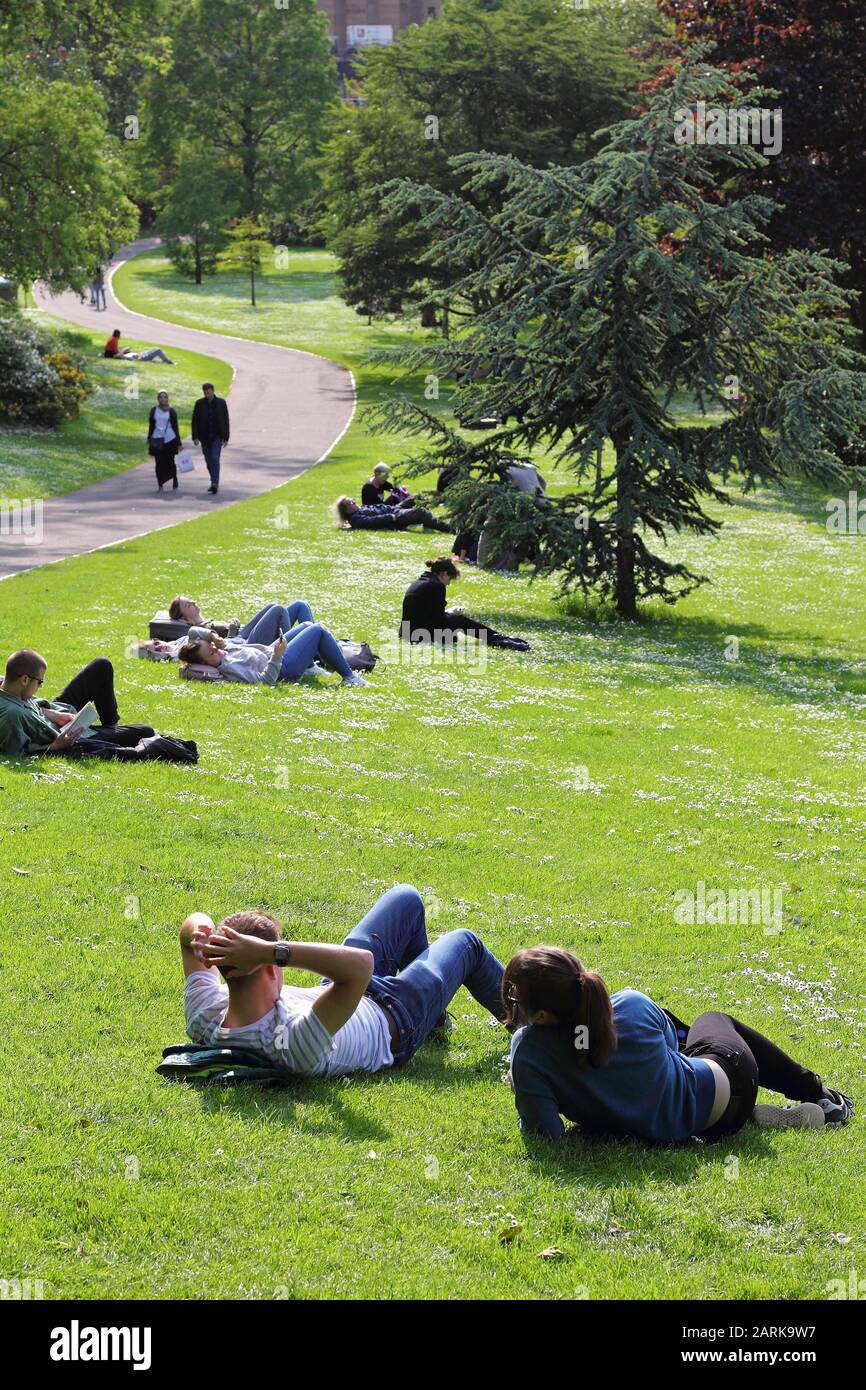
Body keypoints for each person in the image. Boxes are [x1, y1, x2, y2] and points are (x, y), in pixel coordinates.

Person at [504, 946, 854, 1143]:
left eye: (515, 996)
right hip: (728, 1089)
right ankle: (821, 1096)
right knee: (713, 1020)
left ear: (543, 1015)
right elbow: (674, 1050)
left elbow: (547, 1133)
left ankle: (764, 1114)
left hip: (699, 1129)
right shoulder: (632, 1005)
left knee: (686, 1052)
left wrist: (529, 1087)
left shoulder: (528, 1055)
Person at [180, 883, 507, 1076]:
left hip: (338, 992)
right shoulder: (290, 1044)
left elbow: (190, 925)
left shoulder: (206, 1016)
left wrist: (203, 935)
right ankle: (536, 1029)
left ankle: (433, 1016)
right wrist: (270, 950)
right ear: (268, 966)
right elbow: (361, 966)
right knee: (467, 943)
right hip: (395, 1018)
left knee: (406, 898)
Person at [0, 650, 196, 762]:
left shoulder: (7, 684)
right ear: (25, 679)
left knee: (101, 665)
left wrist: (52, 713)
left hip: (61, 715)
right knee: (146, 731)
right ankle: (108, 734)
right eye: (39, 682)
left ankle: (110, 729)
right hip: (69, 737)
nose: (40, 686)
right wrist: (56, 745)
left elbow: (29, 702)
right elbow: (17, 753)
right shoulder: (12, 715)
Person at [177, 623, 369, 688]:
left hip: (272, 652)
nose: (216, 649)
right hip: (283, 667)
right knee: (318, 630)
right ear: (206, 664)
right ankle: (349, 677)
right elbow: (266, 681)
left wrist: (212, 637)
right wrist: (277, 656)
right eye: (211, 652)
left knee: (306, 625)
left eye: (212, 646)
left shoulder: (222, 652)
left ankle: (311, 667)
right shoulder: (230, 668)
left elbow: (193, 632)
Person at [399, 557, 530, 650]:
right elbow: (440, 620)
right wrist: (452, 614)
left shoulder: (422, 581)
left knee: (456, 625)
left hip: (408, 633)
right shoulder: (436, 586)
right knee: (460, 620)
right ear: (444, 574)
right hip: (420, 635)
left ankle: (496, 637)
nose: (449, 583)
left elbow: (430, 614)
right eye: (449, 579)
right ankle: (498, 639)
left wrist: (449, 613)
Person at [167, 597, 314, 643]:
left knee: (300, 605)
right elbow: (226, 646)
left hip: (244, 633)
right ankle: (297, 654)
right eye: (188, 605)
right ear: (184, 617)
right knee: (278, 610)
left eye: (191, 600)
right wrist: (232, 630)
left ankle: (314, 651)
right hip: (247, 642)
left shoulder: (207, 621)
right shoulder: (200, 631)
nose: (193, 603)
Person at [191, 383, 230, 495]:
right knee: (209, 461)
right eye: (205, 393)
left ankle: (214, 484)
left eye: (209, 392)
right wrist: (195, 436)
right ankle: (213, 480)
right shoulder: (199, 404)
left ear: (213, 391)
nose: (207, 395)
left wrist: (226, 437)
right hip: (204, 437)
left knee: (215, 458)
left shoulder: (221, 403)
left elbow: (226, 420)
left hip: (217, 437)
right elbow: (195, 421)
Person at [335, 496, 451, 533]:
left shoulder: (358, 511)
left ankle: (429, 522)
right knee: (420, 512)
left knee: (416, 497)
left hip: (394, 509)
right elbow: (372, 522)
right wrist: (391, 517)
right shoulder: (356, 519)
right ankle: (449, 528)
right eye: (350, 502)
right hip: (395, 517)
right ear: (346, 510)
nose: (354, 502)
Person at [147, 391, 182, 492]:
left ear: (168, 399)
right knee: (158, 463)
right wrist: (149, 438)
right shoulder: (154, 410)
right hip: (157, 439)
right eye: (161, 397)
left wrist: (179, 443)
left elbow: (176, 427)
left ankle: (174, 478)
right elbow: (151, 426)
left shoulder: (171, 411)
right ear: (158, 399)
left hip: (170, 439)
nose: (163, 399)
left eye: (165, 397)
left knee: (170, 462)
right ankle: (160, 484)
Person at [103, 330, 174, 363]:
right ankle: (168, 361)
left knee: (155, 348)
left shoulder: (112, 339)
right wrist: (124, 350)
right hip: (141, 357)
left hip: (140, 354)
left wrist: (124, 351)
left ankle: (166, 360)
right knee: (158, 349)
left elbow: (116, 352)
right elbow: (117, 354)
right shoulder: (114, 340)